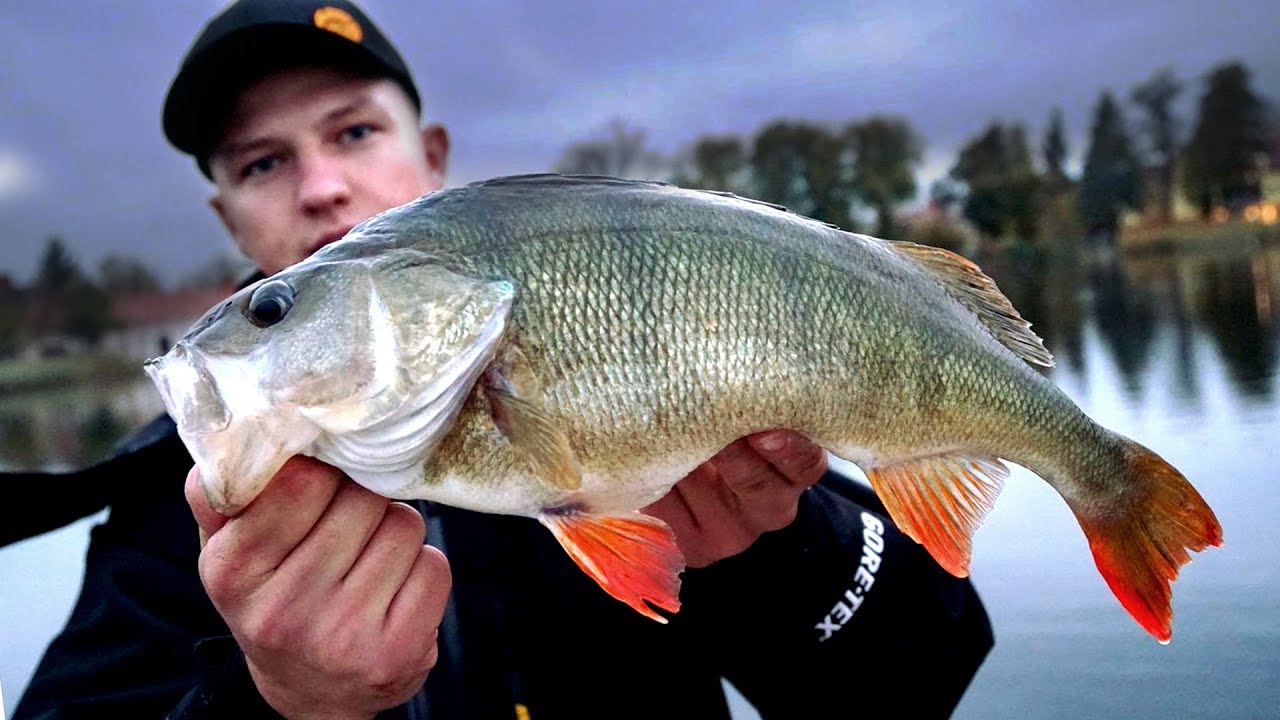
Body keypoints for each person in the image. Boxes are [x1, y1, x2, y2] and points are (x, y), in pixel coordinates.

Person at [13, 1, 994, 718]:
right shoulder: (173, 514)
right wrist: (275, 706)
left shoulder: (605, 318)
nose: (319, 186)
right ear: (226, 215)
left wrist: (772, 546)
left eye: (353, 131)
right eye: (261, 163)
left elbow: (923, 672)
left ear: (430, 157)